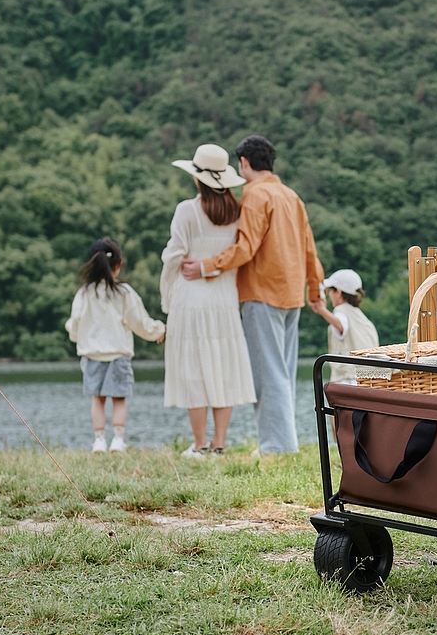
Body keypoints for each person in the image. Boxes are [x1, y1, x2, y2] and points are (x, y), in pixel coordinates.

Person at [181, 135, 324, 454]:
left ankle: (277, 446)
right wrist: (315, 288)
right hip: (292, 294)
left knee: (267, 375)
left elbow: (245, 248)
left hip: (262, 293)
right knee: (282, 373)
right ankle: (285, 443)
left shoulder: (255, 195)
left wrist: (207, 266)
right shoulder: (291, 196)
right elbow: (309, 249)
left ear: (244, 163)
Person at [160, 144, 257, 458]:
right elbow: (240, 255)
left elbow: (173, 256)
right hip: (225, 299)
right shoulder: (238, 212)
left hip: (191, 298)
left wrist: (168, 294)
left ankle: (199, 444)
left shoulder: (187, 210)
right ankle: (219, 444)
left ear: (198, 179)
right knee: (222, 367)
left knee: (194, 370)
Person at [65, 238, 165, 452]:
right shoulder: (124, 292)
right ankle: (118, 440)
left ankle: (99, 440)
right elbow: (139, 321)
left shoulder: (85, 292)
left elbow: (75, 322)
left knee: (97, 399)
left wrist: (77, 338)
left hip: (92, 355)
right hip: (118, 354)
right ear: (118, 265)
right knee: (119, 399)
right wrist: (157, 331)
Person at [310, 268, 380, 384]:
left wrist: (322, 310)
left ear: (338, 292)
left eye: (330, 291)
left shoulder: (341, 311)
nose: (329, 295)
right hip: (367, 378)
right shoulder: (361, 317)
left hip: (347, 378)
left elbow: (341, 325)